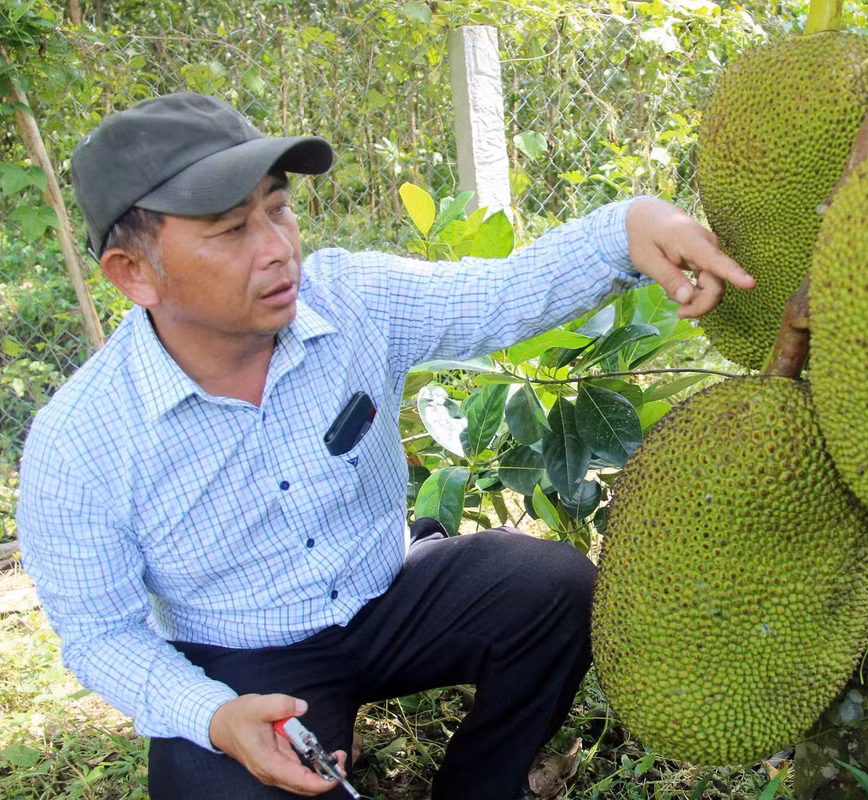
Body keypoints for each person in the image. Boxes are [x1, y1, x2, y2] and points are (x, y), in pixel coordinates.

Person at [15, 93, 753, 799]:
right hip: (247, 657)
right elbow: (100, 634)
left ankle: (480, 788)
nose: (278, 250)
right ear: (134, 273)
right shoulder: (83, 440)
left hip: (388, 592)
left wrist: (626, 227)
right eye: (231, 230)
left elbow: (499, 295)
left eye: (278, 210)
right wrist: (213, 717)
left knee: (552, 589)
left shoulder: (350, 301)